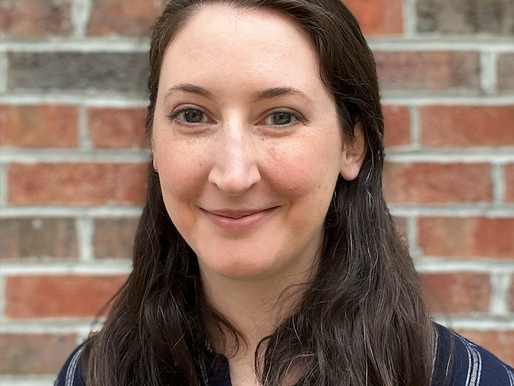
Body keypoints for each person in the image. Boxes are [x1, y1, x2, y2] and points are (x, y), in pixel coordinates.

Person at [55, 0, 514, 385]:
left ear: (352, 146)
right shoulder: (93, 375)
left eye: (280, 117)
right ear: (153, 141)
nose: (233, 176)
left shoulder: (470, 379)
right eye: (193, 115)